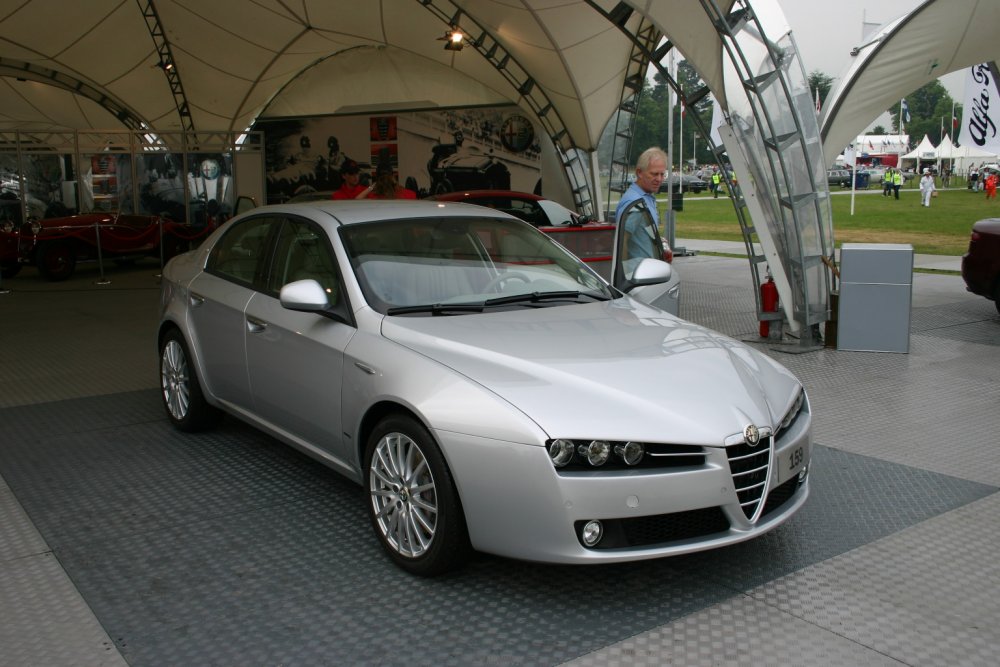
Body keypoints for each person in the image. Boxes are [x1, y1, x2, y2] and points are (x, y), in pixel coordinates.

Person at [615, 147, 666, 264]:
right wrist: (625, 274)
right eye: (654, 174)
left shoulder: (646, 198)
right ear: (639, 173)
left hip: (648, 270)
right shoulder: (635, 203)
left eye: (662, 174)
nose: (659, 179)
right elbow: (622, 241)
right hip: (639, 275)